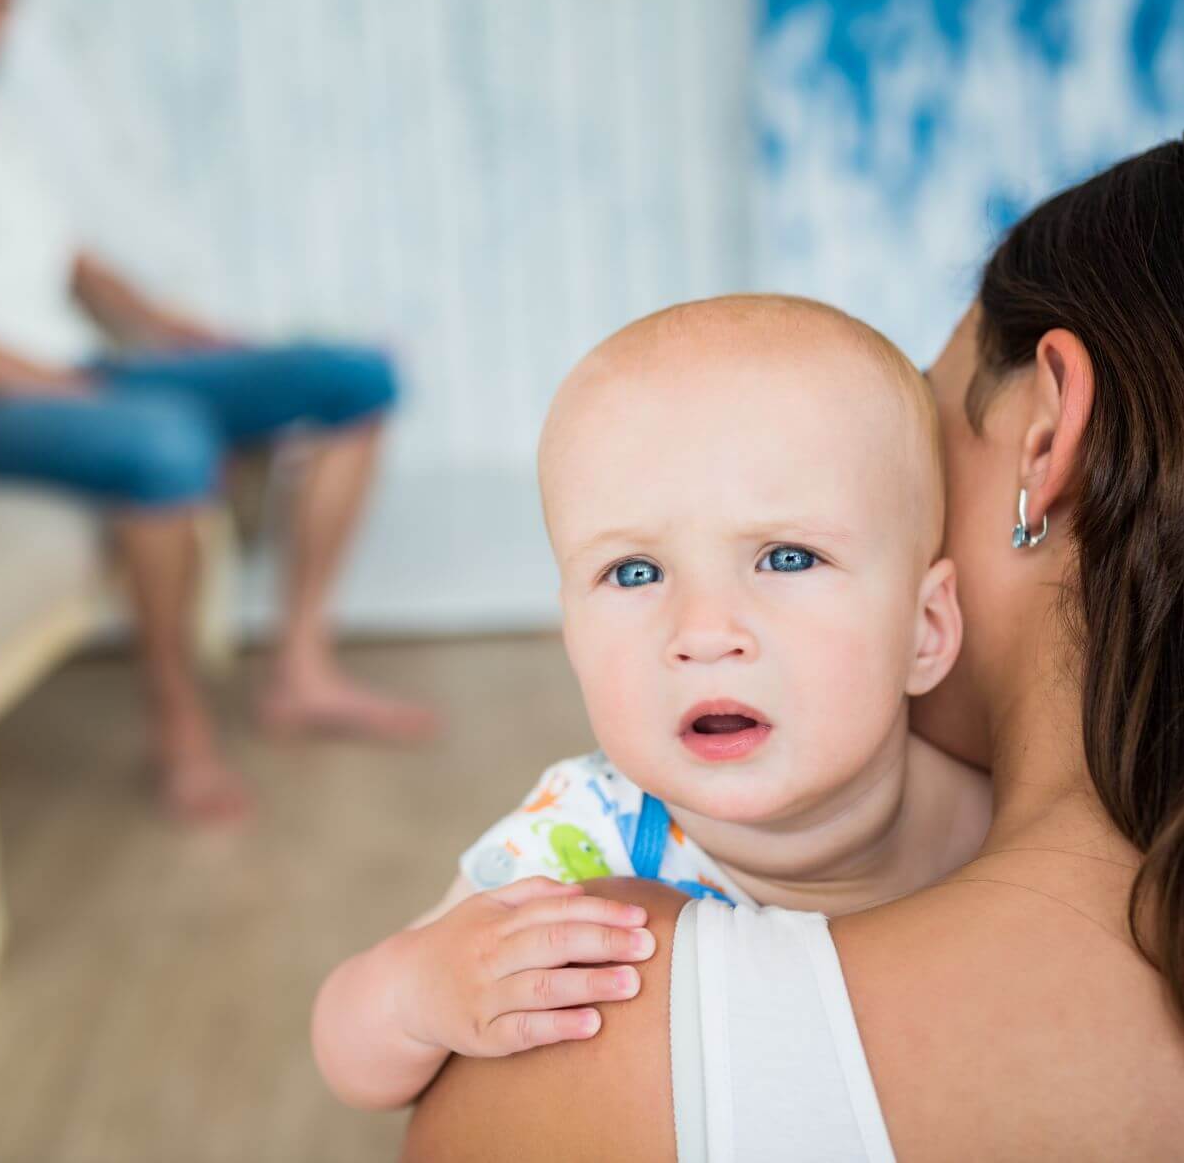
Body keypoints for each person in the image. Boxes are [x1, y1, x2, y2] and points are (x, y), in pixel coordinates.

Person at [403, 111, 1184, 1161]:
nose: (711, 628)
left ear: (1047, 440)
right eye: (636, 571)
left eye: (926, 415)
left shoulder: (592, 1053)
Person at [0, 0, 434, 825]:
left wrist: (195, 340)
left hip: (80, 369)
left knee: (355, 378)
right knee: (166, 441)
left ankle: (301, 670)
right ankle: (179, 729)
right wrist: (131, 400)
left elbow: (78, 269)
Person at [312, 295, 990, 1111]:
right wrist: (419, 992)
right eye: (635, 572)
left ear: (924, 629)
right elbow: (346, 1047)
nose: (704, 632)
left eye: (785, 556)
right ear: (569, 636)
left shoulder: (1009, 822)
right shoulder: (579, 846)